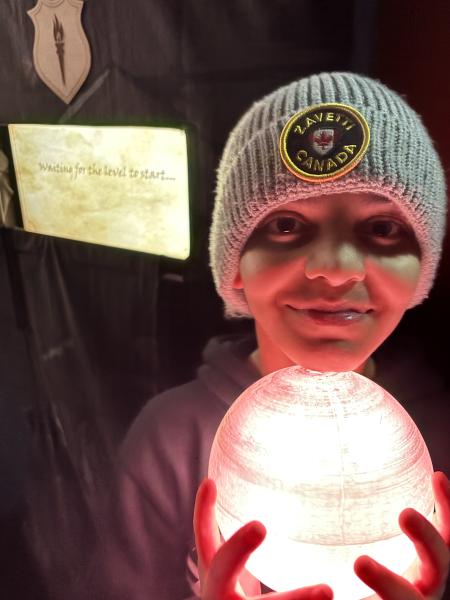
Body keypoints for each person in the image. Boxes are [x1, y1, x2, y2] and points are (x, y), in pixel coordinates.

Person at [96, 72, 450, 599]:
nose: (336, 268)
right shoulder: (170, 439)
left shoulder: (439, 433)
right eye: (286, 226)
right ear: (235, 264)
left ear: (421, 270)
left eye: (382, 229)